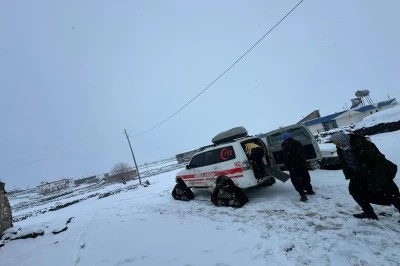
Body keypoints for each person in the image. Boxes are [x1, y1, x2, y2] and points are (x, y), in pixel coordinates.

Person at [330, 132, 400, 220]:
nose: (337, 144)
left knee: (391, 193)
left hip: (374, 172)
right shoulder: (340, 147)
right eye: (335, 143)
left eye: (337, 142)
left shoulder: (363, 144)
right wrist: (348, 173)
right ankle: (369, 213)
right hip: (355, 174)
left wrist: (378, 177)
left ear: (342, 139)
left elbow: (378, 161)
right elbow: (344, 161)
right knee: (355, 192)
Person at [281, 132, 314, 202]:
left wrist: (286, 165)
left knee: (296, 180)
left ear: (284, 138)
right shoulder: (298, 142)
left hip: (293, 166)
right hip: (302, 164)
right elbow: (302, 152)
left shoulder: (286, 145)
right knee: (305, 177)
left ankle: (302, 195)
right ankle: (310, 190)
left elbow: (286, 157)